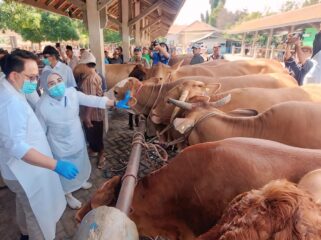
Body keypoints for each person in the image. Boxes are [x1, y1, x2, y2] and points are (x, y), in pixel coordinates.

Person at [0, 49, 78, 240]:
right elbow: (16, 146)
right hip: (22, 170)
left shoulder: (10, 87)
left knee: (24, 202)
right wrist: (56, 165)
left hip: (19, 170)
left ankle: (24, 233)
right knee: (37, 212)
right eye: (32, 77)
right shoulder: (10, 103)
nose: (35, 82)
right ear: (14, 75)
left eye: (37, 76)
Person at [36, 70, 115, 209]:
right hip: (59, 145)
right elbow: (40, 131)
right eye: (51, 84)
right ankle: (67, 193)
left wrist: (113, 103)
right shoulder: (42, 106)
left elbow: (92, 99)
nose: (57, 85)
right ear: (45, 87)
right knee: (65, 170)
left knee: (80, 161)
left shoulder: (71, 93)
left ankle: (80, 180)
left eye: (59, 81)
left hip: (76, 137)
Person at [76, 51, 108, 169]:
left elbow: (91, 100)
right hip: (94, 113)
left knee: (96, 135)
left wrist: (87, 116)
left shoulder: (91, 79)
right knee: (93, 134)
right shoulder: (92, 76)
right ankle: (94, 150)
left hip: (93, 114)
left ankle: (101, 155)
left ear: (85, 65)